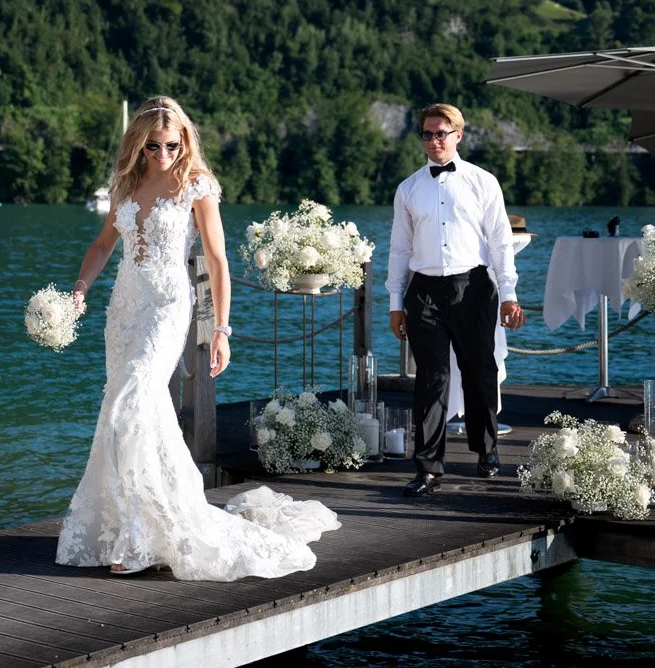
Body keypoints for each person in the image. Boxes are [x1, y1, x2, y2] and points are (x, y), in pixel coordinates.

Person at [56, 96, 339, 579]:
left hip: (167, 307)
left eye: (171, 145)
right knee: (126, 411)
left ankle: (140, 539)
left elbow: (217, 259)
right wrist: (79, 290)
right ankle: (130, 526)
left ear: (184, 141)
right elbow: (103, 245)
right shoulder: (126, 184)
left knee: (132, 401)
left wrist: (222, 330)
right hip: (123, 309)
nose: (163, 154)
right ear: (138, 145)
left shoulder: (197, 185)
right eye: (152, 146)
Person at [388, 103, 524, 497]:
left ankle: (486, 449)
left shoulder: (483, 182)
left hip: (473, 288)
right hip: (424, 293)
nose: (434, 141)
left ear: (458, 135)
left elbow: (501, 242)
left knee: (479, 371)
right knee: (431, 379)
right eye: (427, 134)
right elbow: (400, 249)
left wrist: (509, 295)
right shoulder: (408, 189)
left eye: (441, 133)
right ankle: (428, 468)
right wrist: (396, 303)